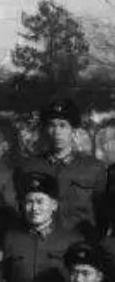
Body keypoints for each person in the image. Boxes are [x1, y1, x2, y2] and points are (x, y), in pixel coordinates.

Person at [21, 99, 105, 236]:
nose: (57, 132)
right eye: (52, 126)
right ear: (45, 129)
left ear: (74, 130)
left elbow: (102, 213)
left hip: (81, 241)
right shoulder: (29, 167)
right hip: (43, 244)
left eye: (63, 126)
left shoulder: (94, 168)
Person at [3, 172, 76, 282]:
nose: (34, 208)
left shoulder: (70, 241)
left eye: (40, 202)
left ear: (54, 205)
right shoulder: (11, 239)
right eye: (29, 202)